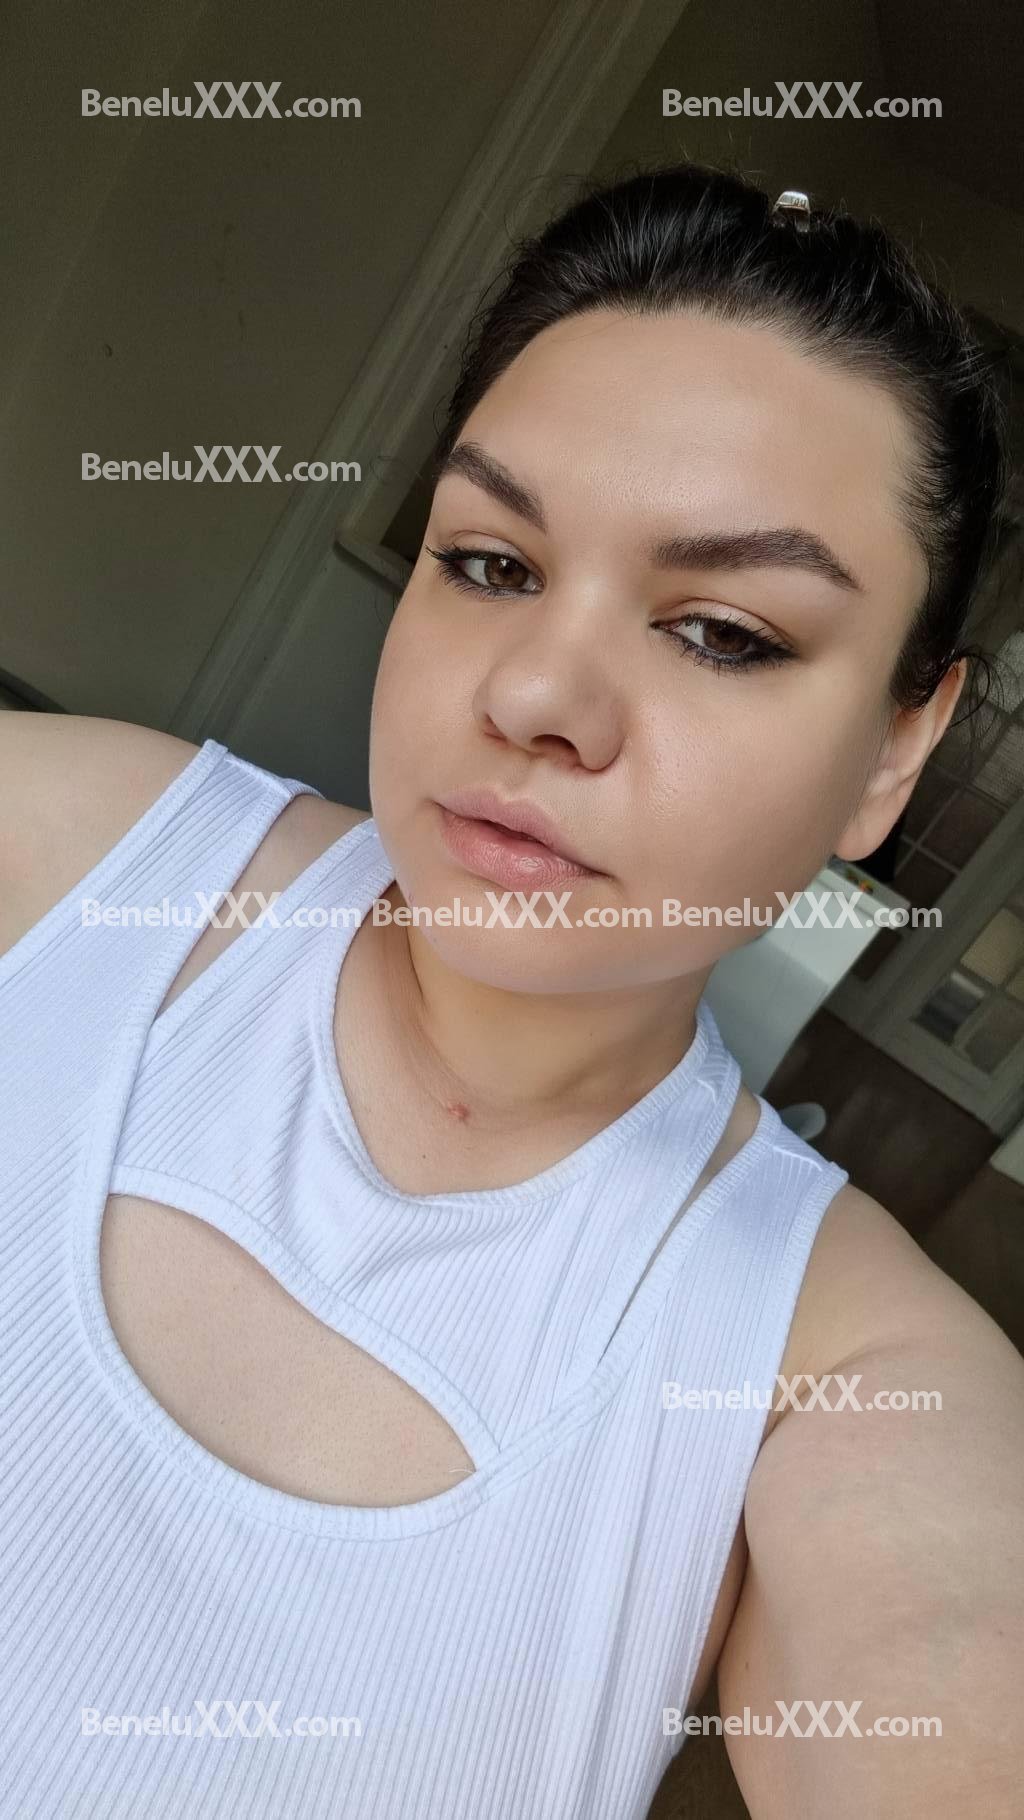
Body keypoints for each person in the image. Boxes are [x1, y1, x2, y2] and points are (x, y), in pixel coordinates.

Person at [1, 160, 1021, 1819]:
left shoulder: (831, 1369)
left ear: (895, 753)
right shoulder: (57, 864)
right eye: (490, 561)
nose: (538, 693)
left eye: (723, 632)